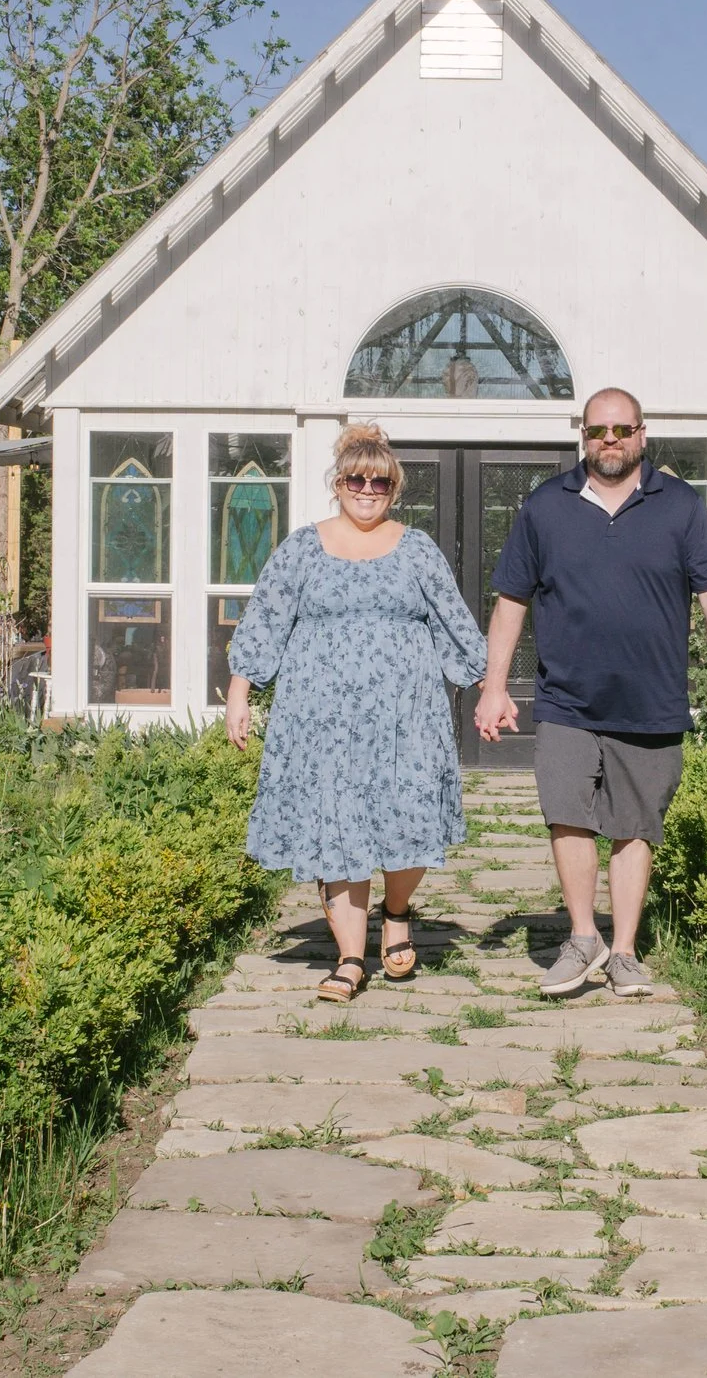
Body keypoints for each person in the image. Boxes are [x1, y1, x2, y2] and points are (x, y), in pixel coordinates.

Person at [474, 387, 707, 997]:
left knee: (635, 826)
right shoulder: (546, 506)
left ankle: (624, 951)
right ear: (583, 435)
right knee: (566, 814)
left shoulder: (679, 506)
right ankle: (581, 938)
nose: (611, 441)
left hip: (651, 701)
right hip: (567, 698)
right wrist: (494, 687)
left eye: (622, 430)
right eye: (599, 431)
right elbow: (511, 600)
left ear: (642, 435)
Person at [226, 424, 487, 1002]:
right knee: (336, 825)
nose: (367, 489)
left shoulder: (417, 548)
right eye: (356, 479)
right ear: (337, 483)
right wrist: (240, 694)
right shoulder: (301, 547)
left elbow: (453, 620)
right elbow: (266, 619)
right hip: (320, 717)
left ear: (394, 488)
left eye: (380, 481)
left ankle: (396, 911)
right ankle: (349, 958)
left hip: (405, 716)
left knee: (408, 815)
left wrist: (487, 690)